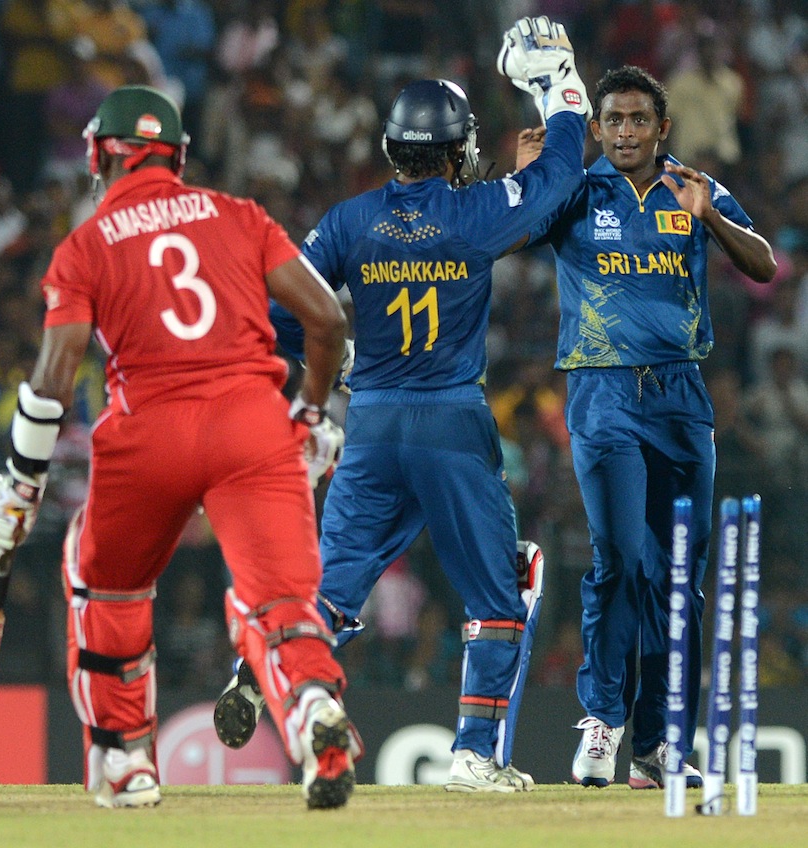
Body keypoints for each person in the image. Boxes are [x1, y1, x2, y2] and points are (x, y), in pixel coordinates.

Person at [212, 16, 591, 793]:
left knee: (336, 584)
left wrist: (338, 352)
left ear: (390, 149)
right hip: (452, 421)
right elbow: (556, 183)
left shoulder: (348, 220)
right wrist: (563, 94)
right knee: (496, 591)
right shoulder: (477, 209)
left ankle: (260, 663)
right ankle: (473, 754)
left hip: (373, 422)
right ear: (457, 151)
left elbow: (285, 311)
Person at [0, 84, 363, 810]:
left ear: (100, 155)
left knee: (105, 583)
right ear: (177, 156)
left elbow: (55, 375)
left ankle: (125, 760)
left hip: (146, 431)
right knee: (277, 598)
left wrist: (20, 483)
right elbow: (327, 320)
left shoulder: (85, 244)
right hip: (251, 424)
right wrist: (307, 414)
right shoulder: (238, 215)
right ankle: (311, 706)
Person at [517, 65, 776, 788]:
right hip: (603, 398)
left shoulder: (694, 188)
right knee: (621, 562)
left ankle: (660, 748)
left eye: (639, 120)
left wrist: (713, 219)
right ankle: (602, 721)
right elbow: (503, 238)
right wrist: (526, 180)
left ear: (662, 128)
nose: (626, 132)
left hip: (682, 400)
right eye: (614, 121)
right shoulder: (575, 187)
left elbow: (764, 265)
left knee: (678, 586)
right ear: (595, 128)